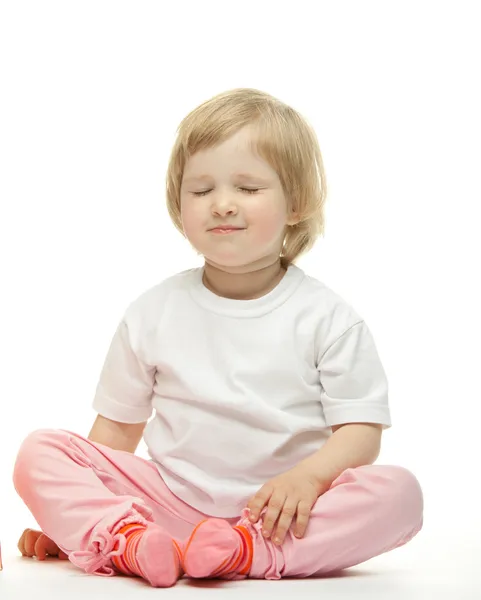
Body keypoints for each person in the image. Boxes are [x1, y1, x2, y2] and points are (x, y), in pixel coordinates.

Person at [13, 88, 423, 588]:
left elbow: (361, 432)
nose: (222, 204)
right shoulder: (152, 312)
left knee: (400, 494)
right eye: (201, 190)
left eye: (248, 188)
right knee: (41, 451)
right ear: (178, 204)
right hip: (165, 505)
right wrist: (74, 516)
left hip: (284, 513)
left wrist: (309, 478)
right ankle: (125, 540)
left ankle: (247, 551)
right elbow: (117, 435)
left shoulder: (328, 318)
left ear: (296, 204)